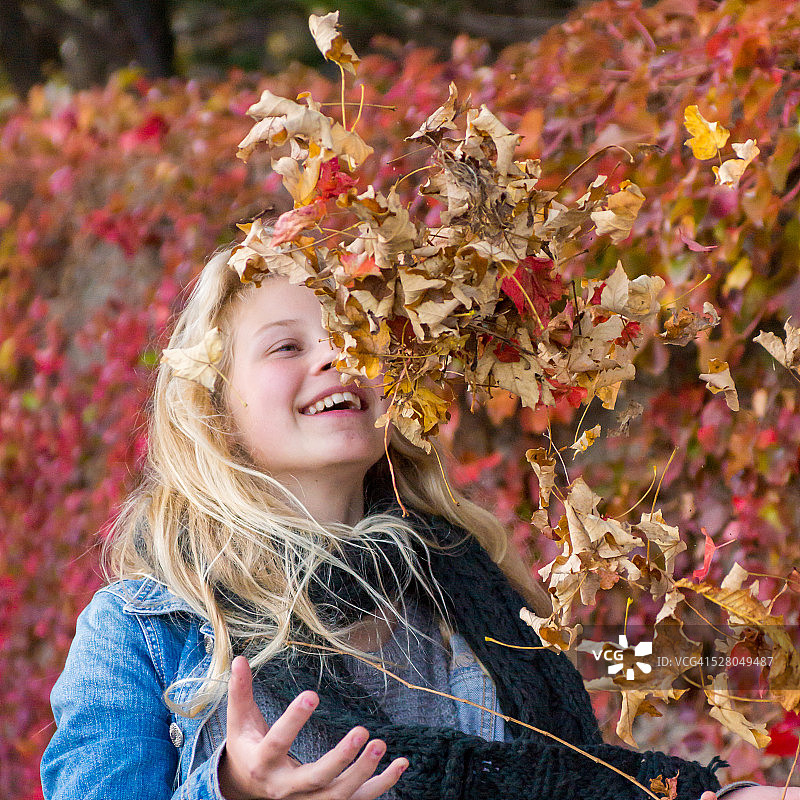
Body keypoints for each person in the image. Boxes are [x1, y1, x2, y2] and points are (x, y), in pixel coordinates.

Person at [41, 248, 797, 800]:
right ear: (217, 411)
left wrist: (717, 792)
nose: (339, 355)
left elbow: (574, 767)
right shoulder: (145, 632)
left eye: (358, 334)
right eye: (286, 345)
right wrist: (230, 790)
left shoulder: (472, 585)